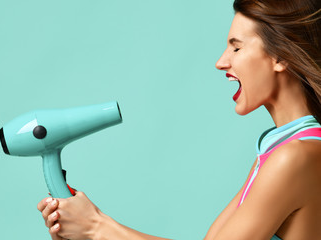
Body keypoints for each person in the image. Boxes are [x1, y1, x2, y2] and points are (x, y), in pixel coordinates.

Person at [37, 0, 321, 239]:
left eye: (236, 48)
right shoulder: (277, 149)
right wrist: (84, 229)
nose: (221, 62)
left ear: (280, 56)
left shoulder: (295, 156)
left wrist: (97, 226)